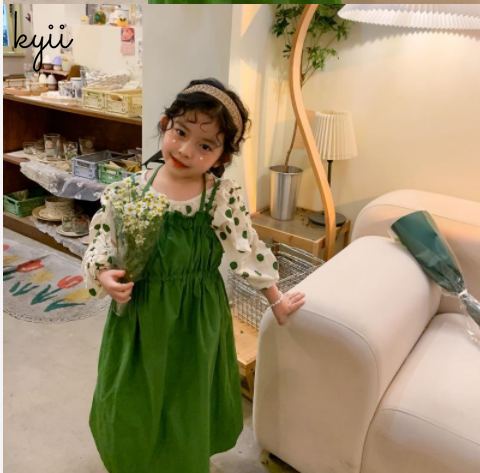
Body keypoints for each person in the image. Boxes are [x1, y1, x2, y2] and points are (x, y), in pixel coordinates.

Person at [81, 78, 306, 473]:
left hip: (196, 318)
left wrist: (277, 299)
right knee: (133, 397)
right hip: (140, 317)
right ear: (165, 125)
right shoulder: (130, 190)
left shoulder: (219, 196)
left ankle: (184, 460)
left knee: (187, 396)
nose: (186, 150)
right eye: (181, 132)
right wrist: (103, 273)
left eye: (205, 146)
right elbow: (103, 234)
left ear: (221, 156)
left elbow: (246, 247)